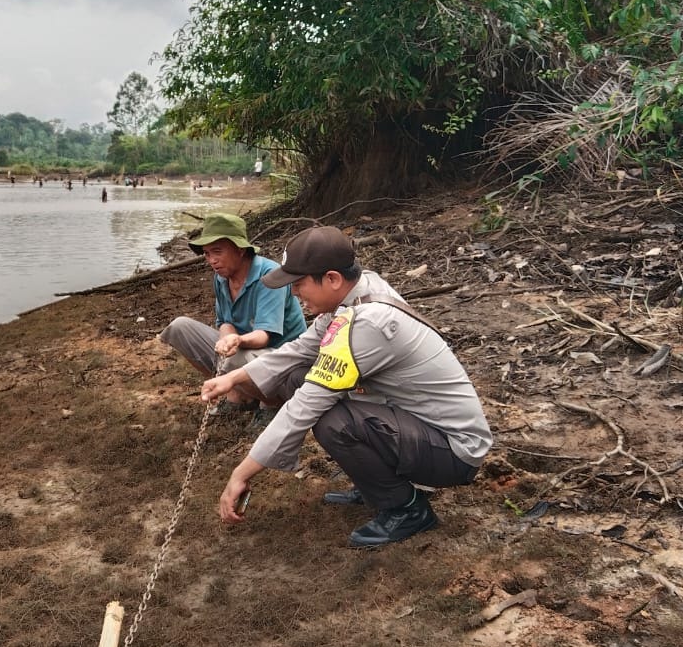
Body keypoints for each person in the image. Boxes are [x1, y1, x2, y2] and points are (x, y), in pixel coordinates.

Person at [202, 225, 493, 548]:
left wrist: (241, 473)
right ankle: (376, 484)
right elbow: (299, 350)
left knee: (330, 420)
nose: (295, 294)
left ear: (332, 279)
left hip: (455, 450)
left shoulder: (367, 324)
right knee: (298, 377)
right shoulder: (356, 293)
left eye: (298, 284)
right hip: (419, 426)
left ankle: (408, 509)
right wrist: (233, 378)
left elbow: (306, 405)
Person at [160, 213, 307, 411]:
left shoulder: (269, 276)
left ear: (239, 250)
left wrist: (236, 341)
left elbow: (264, 336)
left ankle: (272, 404)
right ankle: (238, 392)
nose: (212, 260)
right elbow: (225, 322)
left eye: (217, 252)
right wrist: (226, 339)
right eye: (207, 254)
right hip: (248, 353)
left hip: (282, 360)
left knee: (233, 358)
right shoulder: (222, 277)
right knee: (180, 328)